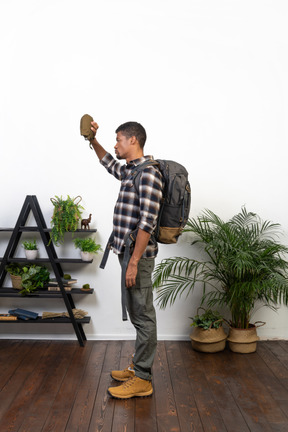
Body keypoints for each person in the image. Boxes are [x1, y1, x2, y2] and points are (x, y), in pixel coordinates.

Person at [89, 120, 163, 399]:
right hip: (127, 253)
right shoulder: (131, 171)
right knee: (137, 312)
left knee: (143, 315)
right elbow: (108, 162)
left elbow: (147, 223)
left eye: (118, 139)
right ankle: (138, 368)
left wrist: (133, 262)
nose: (115, 144)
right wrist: (91, 140)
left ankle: (143, 378)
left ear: (134, 140)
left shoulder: (149, 174)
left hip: (138, 258)